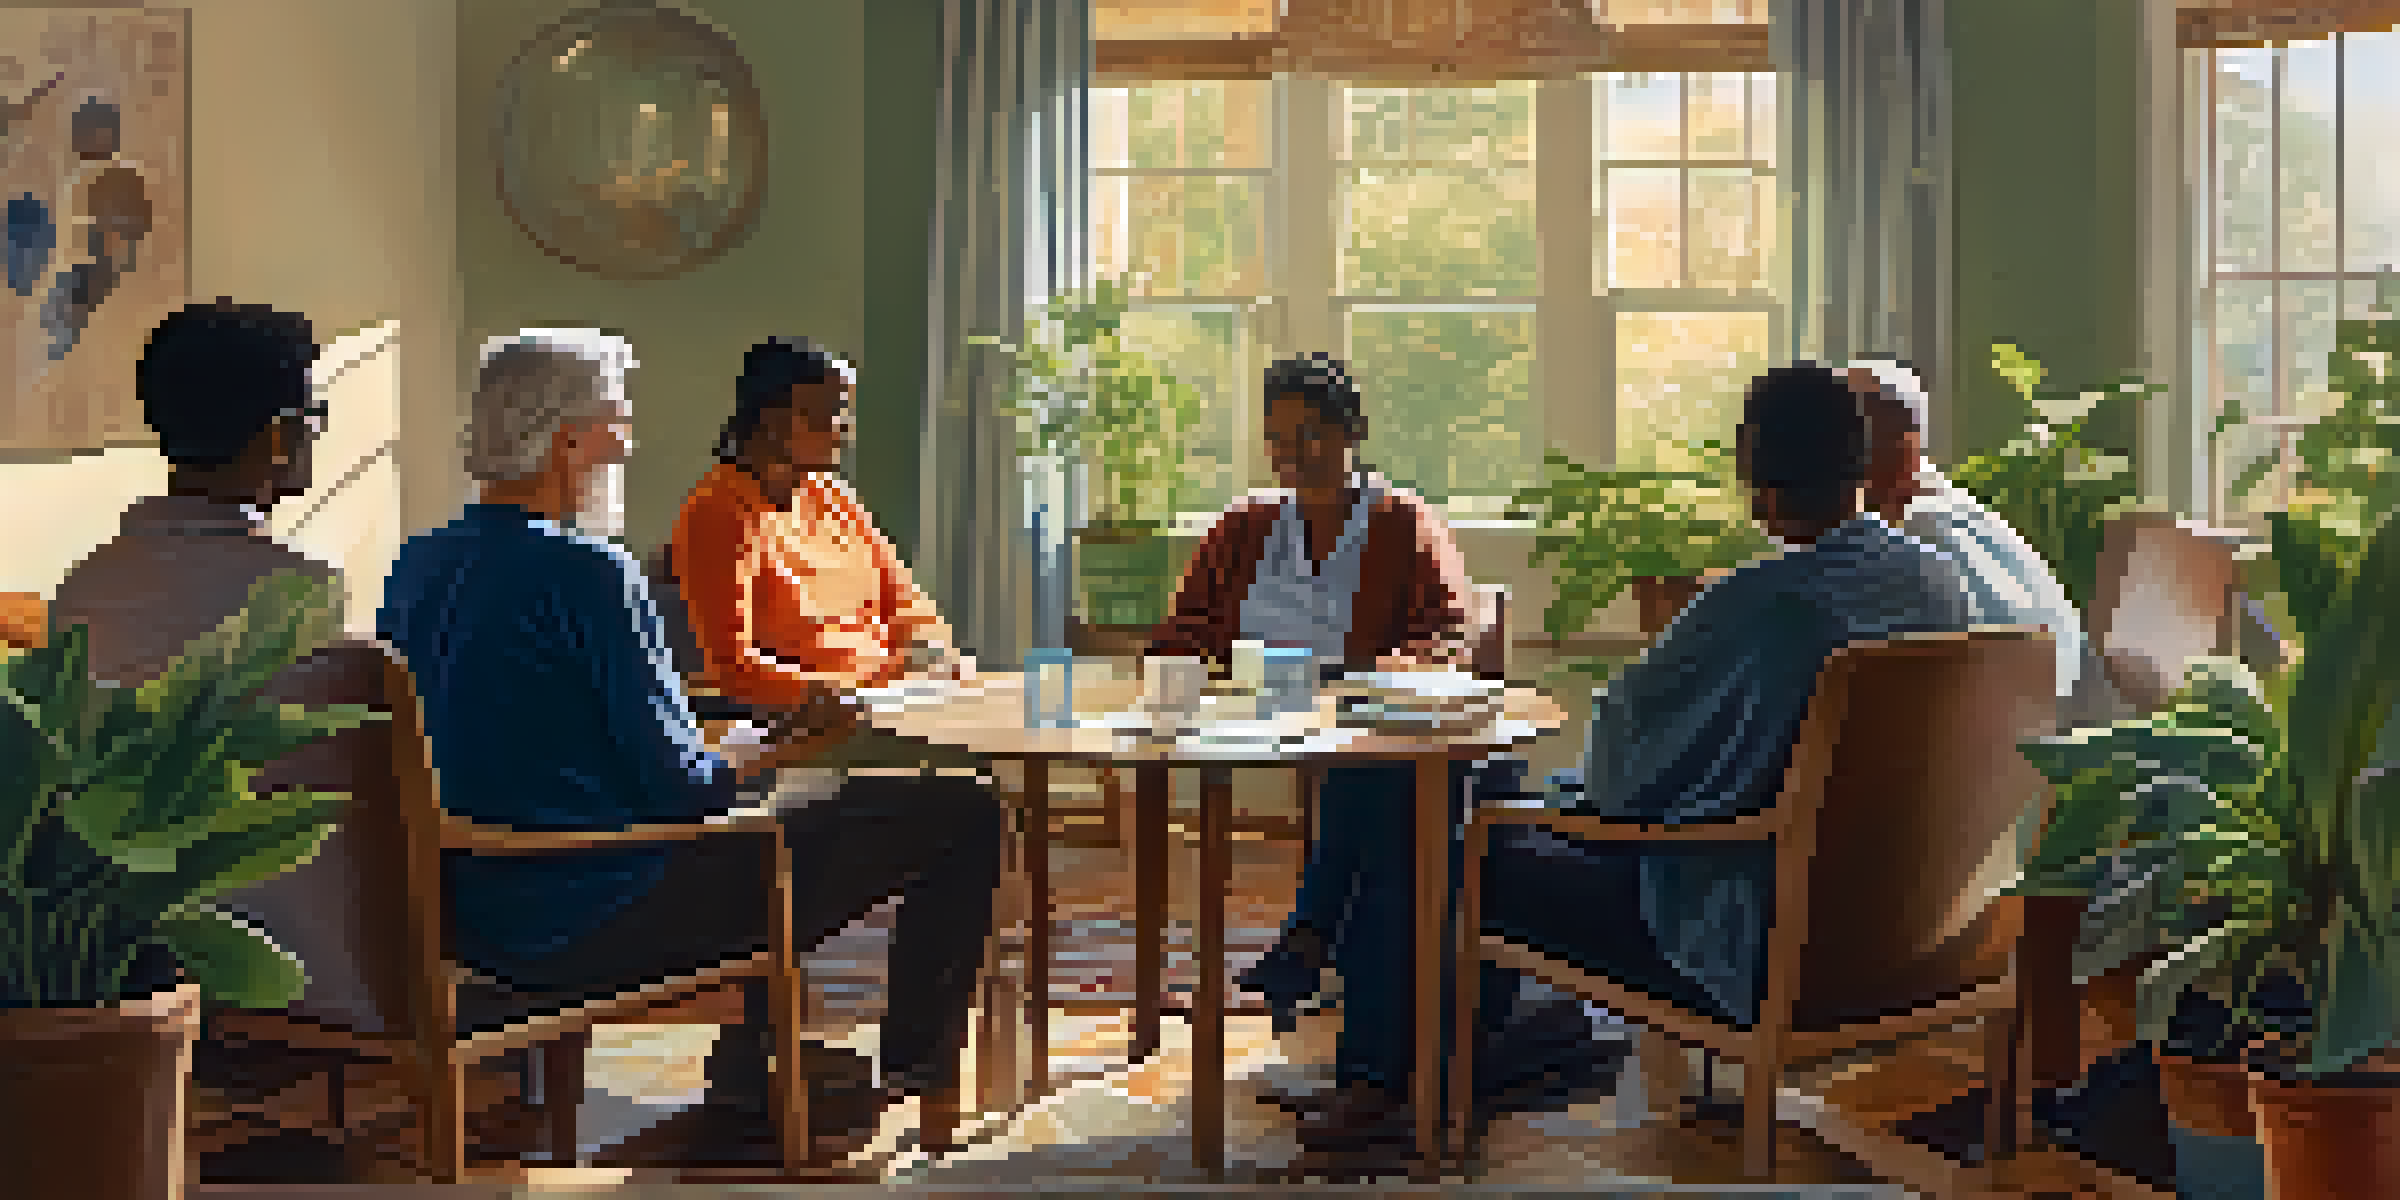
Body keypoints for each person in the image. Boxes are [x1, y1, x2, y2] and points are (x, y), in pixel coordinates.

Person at [1315, 362, 1978, 1148]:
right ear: (1862, 462)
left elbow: (1617, 780)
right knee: (1496, 795)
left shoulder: (1758, 603)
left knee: (1453, 846)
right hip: (1902, 936)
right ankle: (1463, 1061)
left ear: (1752, 472)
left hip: (1751, 938)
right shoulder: (1940, 586)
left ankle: (1391, 1083)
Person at [378, 329, 1003, 1149]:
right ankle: (911, 1080)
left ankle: (759, 1068)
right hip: (596, 914)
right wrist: (776, 745)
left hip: (467, 911)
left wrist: (742, 752)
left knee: (797, 817)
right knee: (962, 812)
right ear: (568, 442)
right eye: (618, 424)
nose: (628, 445)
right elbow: (687, 790)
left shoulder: (418, 564)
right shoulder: (592, 573)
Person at [50, 299, 389, 1030]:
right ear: (280, 436)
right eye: (316, 417)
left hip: (130, 958)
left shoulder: (87, 586)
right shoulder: (299, 592)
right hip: (303, 967)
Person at [668, 337, 979, 791]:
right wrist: (831, 695)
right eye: (827, 415)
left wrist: (933, 654)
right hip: (804, 724)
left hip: (889, 704)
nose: (843, 432)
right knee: (965, 785)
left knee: (977, 762)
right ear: (772, 420)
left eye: (844, 414)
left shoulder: (835, 499)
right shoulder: (719, 512)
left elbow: (909, 607)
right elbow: (734, 668)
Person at [1847, 357, 2106, 726]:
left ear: (1905, 447)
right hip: (2060, 727)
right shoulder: (1957, 511)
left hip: (2027, 741)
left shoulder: (1913, 542)